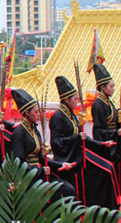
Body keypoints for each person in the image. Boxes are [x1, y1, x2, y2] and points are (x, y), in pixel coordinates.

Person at [50, 75, 118, 208]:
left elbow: (83, 137)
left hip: (80, 154)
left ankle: (107, 208)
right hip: (70, 158)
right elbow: (56, 142)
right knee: (105, 170)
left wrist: (102, 144)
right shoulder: (57, 117)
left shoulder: (71, 115)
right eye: (75, 99)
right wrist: (76, 138)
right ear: (66, 100)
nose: (77, 102)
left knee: (108, 167)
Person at [10, 88, 77, 200]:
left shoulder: (34, 130)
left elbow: (41, 159)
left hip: (40, 174)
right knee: (64, 190)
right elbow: (19, 163)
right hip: (29, 177)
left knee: (69, 188)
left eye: (39, 111)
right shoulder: (19, 133)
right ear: (27, 113)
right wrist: (40, 170)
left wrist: (61, 164)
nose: (39, 115)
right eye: (36, 112)